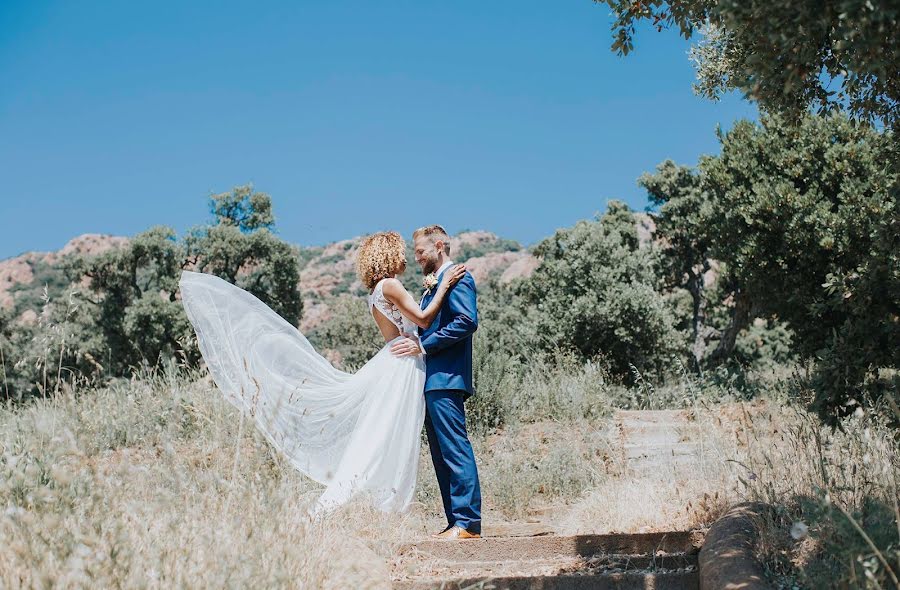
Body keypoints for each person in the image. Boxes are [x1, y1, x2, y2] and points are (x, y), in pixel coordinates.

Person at [178, 230, 465, 515]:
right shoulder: (391, 285)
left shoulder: (376, 292)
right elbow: (425, 321)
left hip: (395, 362)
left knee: (379, 435)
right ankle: (347, 505)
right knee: (383, 437)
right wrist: (444, 286)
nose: (406, 257)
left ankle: (358, 503)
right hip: (402, 365)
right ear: (388, 255)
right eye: (401, 251)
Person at [390, 225, 482, 539]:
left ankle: (467, 523)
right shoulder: (434, 284)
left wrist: (424, 345)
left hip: (446, 376)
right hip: (430, 379)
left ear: (439, 246)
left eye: (420, 252)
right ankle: (455, 521)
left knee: (454, 449)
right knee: (441, 454)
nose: (416, 259)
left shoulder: (458, 277)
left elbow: (467, 321)